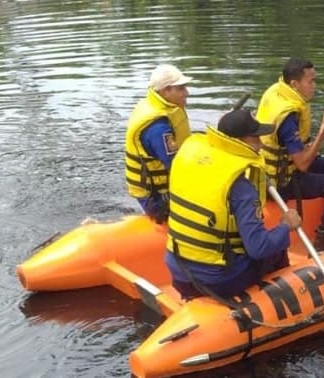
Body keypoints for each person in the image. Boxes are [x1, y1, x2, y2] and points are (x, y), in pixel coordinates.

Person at [164, 109, 303, 299]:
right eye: (256, 138)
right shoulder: (241, 186)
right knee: (275, 249)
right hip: (215, 282)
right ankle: (286, 299)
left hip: (178, 272)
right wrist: (286, 225)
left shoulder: (193, 162)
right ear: (242, 141)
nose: (261, 145)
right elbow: (259, 248)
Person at [256, 58, 324, 251]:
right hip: (280, 181)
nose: (314, 86)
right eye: (310, 81)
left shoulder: (278, 90)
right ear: (294, 84)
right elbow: (302, 165)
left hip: (279, 168)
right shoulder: (287, 116)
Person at [124, 64, 193, 223]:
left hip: (158, 187)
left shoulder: (156, 105)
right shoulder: (158, 128)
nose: (187, 93)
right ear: (166, 90)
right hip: (156, 195)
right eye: (181, 88)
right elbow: (175, 165)